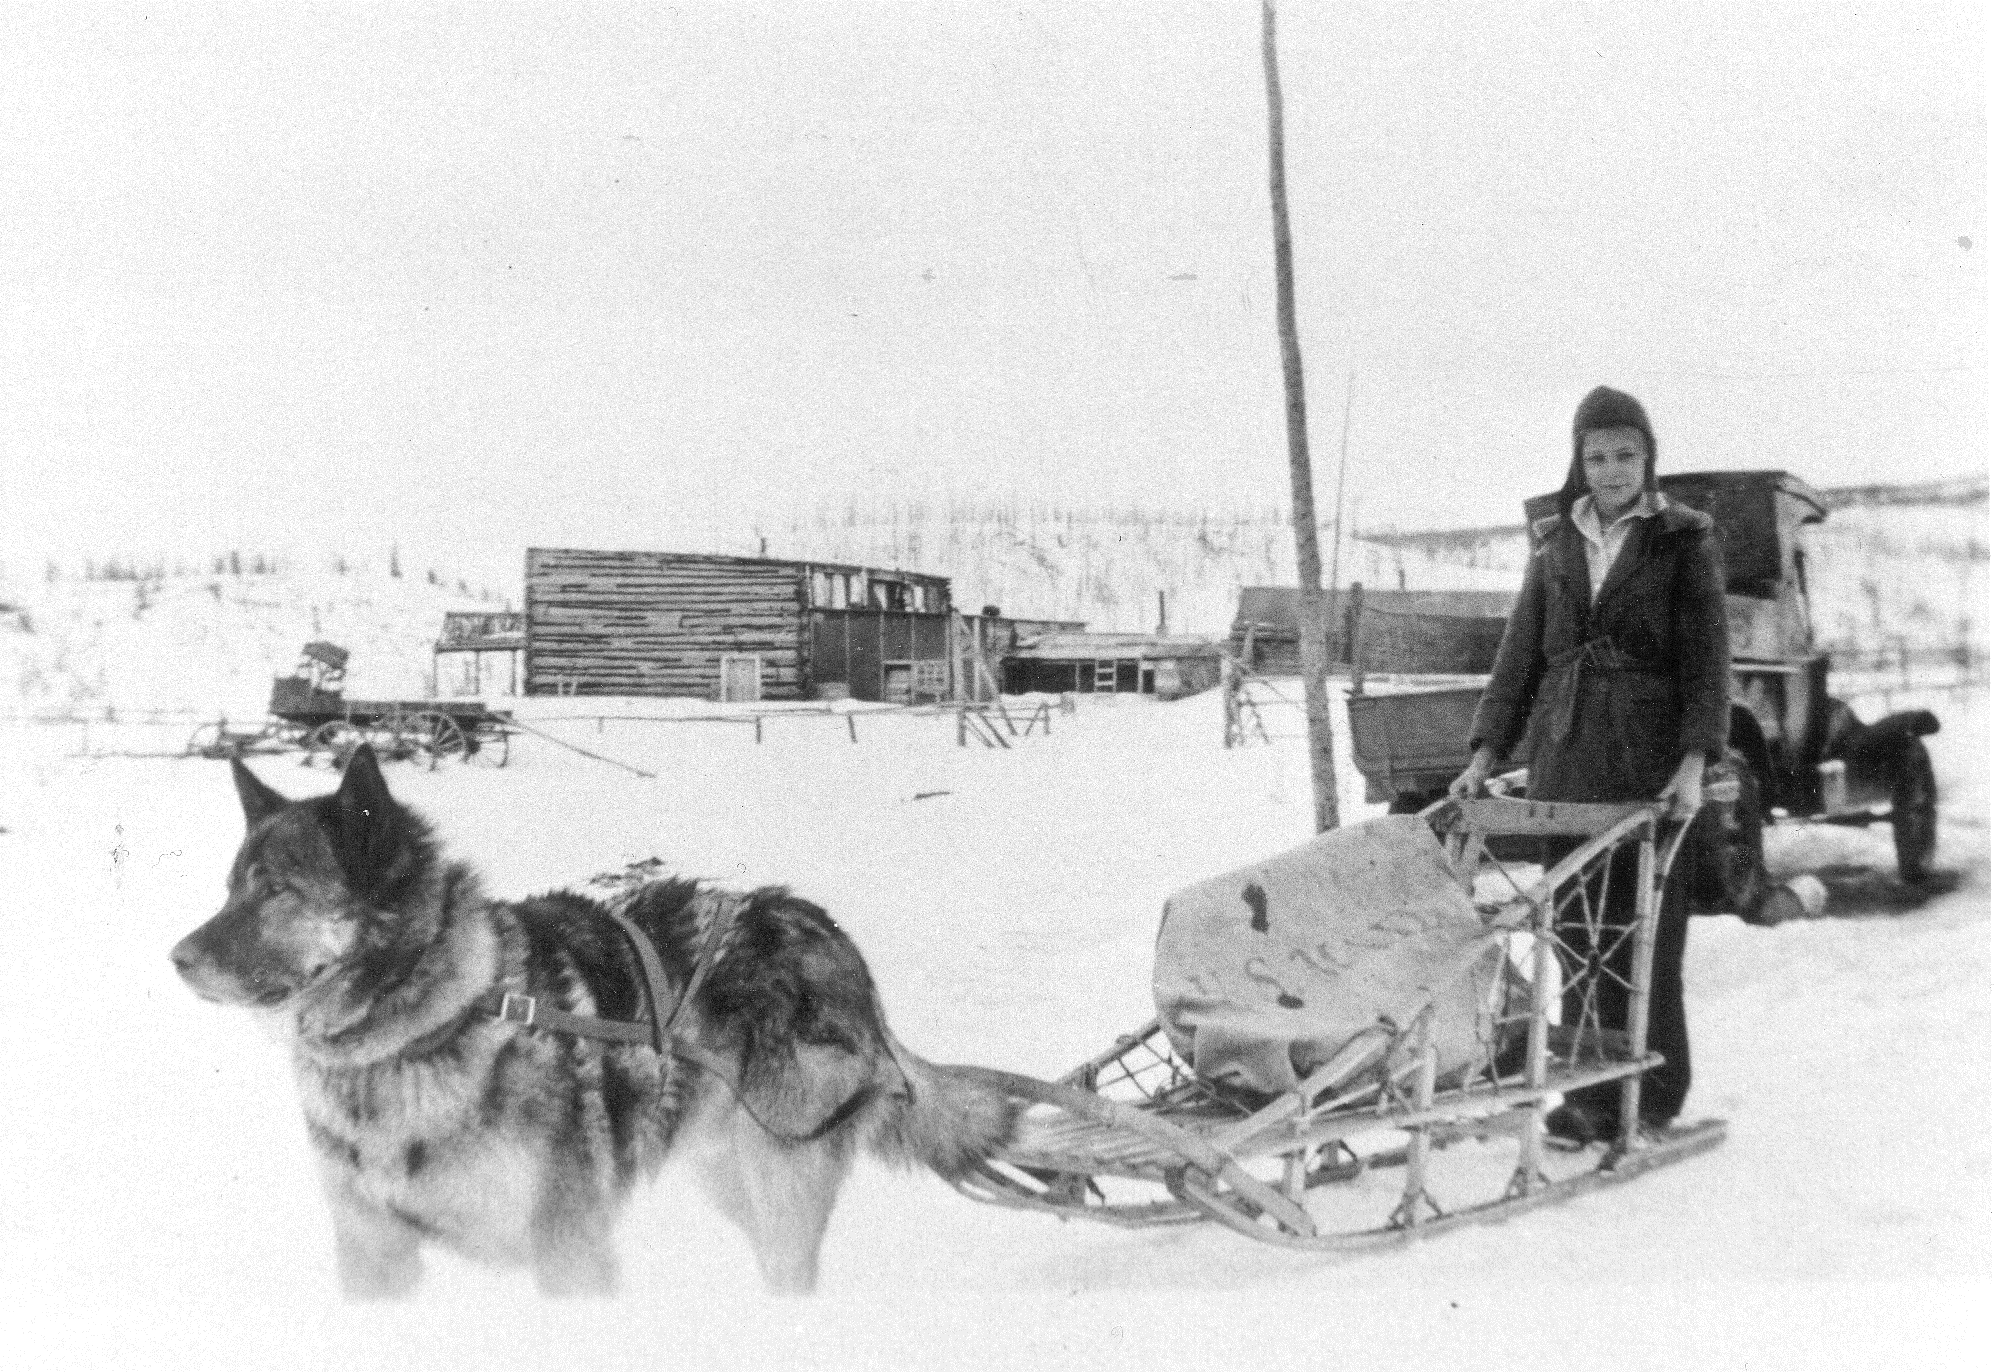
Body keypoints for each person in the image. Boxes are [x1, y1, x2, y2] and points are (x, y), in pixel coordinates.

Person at [1450, 385, 1729, 1145]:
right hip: (1564, 758)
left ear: (1648, 459)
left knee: (1643, 933)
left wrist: (1692, 763)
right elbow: (1517, 659)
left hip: (1645, 761)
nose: (1610, 470)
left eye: (1624, 455)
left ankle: (1654, 1095)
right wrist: (1483, 753)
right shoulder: (1555, 543)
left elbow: (1708, 662)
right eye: (1596, 455)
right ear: (1578, 461)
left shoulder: (1682, 540)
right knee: (1574, 936)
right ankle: (1586, 1098)